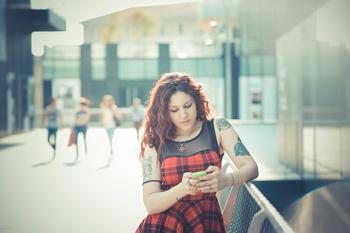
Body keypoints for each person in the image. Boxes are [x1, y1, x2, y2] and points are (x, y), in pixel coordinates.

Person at [136, 72, 259, 232]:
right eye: (174, 110)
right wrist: (182, 189)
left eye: (188, 106)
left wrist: (227, 179)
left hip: (205, 221)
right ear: (163, 112)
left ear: (197, 101)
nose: (183, 115)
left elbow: (251, 167)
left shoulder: (217, 127)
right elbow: (151, 204)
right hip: (164, 225)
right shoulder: (155, 143)